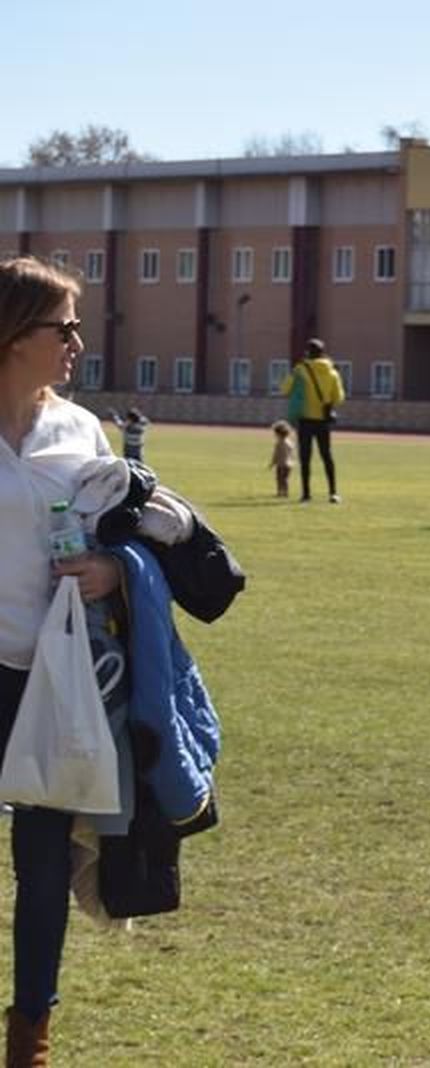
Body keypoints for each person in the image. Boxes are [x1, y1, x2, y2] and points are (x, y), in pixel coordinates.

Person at [0, 256, 128, 1063]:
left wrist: (112, 571)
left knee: (44, 860)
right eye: (63, 327)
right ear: (13, 335)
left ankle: (28, 1039)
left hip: (48, 676)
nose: (78, 341)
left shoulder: (79, 430)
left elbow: (125, 541)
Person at [278, 339, 344, 503]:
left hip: (306, 419)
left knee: (305, 458)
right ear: (323, 353)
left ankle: (306, 494)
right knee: (327, 456)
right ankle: (333, 492)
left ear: (308, 352)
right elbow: (339, 398)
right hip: (323, 419)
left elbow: (284, 389)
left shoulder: (301, 369)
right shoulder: (332, 372)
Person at [268, 420, 295, 499]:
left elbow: (276, 454)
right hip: (289, 464)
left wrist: (272, 463)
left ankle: (280, 492)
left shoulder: (279, 443)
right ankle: (285, 492)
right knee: (285, 478)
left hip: (281, 464)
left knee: (280, 478)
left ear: (278, 433)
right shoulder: (289, 442)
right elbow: (291, 453)